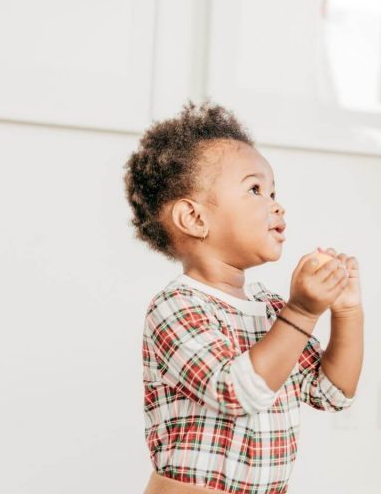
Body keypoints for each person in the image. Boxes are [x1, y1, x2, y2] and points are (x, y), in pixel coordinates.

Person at [124, 103, 364, 493]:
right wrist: (302, 311)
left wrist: (347, 310)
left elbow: (332, 392)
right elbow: (236, 391)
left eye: (273, 191)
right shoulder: (176, 307)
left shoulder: (270, 310)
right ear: (195, 219)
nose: (276, 203)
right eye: (255, 190)